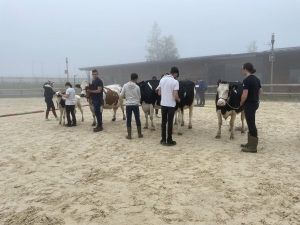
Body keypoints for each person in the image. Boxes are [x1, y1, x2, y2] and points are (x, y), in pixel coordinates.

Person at [240, 62, 263, 153]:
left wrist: (241, 102)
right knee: (250, 123)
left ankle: (253, 147)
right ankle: (250, 143)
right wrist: (255, 97)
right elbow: (261, 91)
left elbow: (244, 95)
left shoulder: (246, 80)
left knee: (251, 124)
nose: (241, 70)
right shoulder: (257, 79)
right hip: (255, 103)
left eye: (242, 69)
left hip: (249, 104)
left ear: (245, 69)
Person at [158, 67, 180, 146]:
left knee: (163, 122)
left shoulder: (162, 80)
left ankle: (163, 139)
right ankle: (169, 140)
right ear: (175, 73)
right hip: (171, 105)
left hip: (163, 104)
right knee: (170, 122)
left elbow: (159, 93)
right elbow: (175, 95)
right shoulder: (175, 82)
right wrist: (178, 99)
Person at [121, 73, 143, 139]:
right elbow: (139, 97)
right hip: (135, 104)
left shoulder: (125, 85)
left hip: (128, 104)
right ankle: (139, 134)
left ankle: (129, 135)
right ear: (136, 79)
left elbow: (121, 95)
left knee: (128, 119)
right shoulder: (137, 87)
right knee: (137, 119)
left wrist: (126, 97)